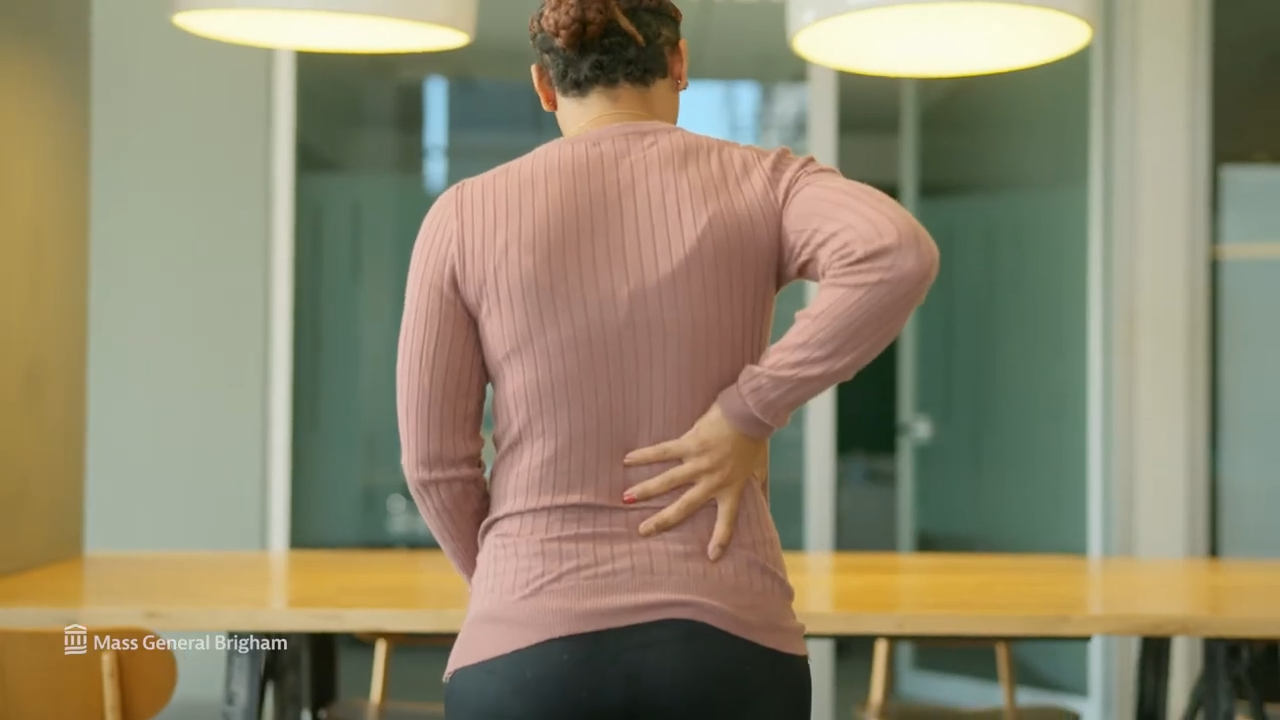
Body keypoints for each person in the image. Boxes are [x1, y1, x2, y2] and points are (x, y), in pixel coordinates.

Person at [394, 0, 939, 716]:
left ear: (545, 86)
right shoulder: (763, 183)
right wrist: (748, 412)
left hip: (523, 659)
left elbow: (433, 468)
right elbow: (894, 253)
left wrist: (508, 581)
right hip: (729, 647)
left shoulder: (462, 216)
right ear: (679, 65)